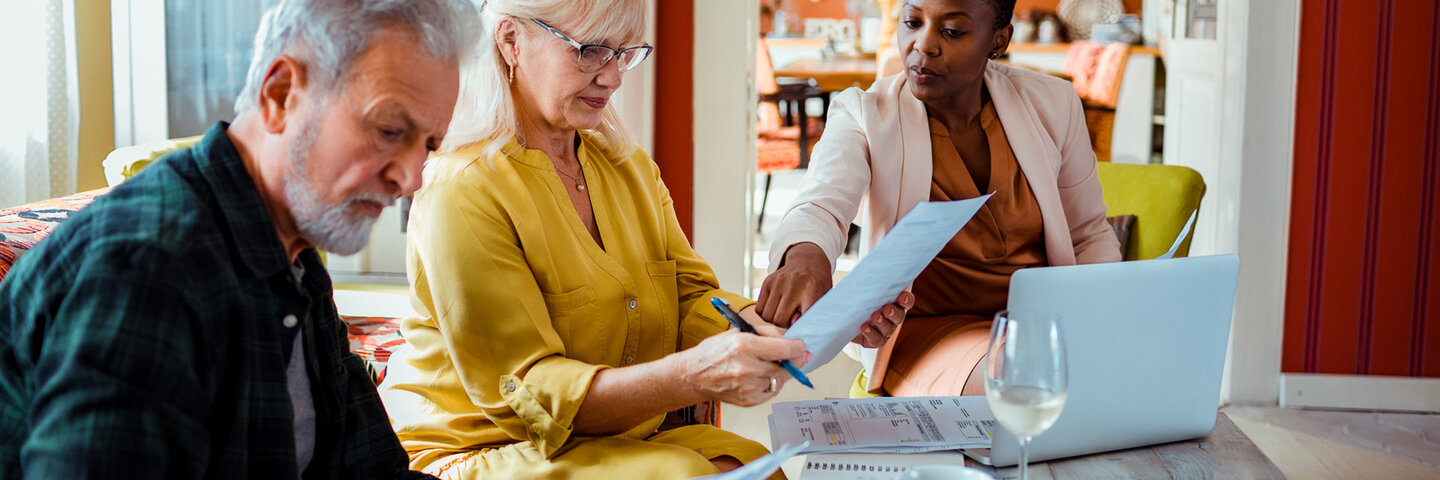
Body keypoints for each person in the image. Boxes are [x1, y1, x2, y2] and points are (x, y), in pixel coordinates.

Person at [375, 1, 906, 478]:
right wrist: (690, 379)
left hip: (620, 438)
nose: (612, 77)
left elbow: (695, 301)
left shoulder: (624, 167)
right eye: (590, 51)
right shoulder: (461, 189)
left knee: (757, 468)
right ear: (510, 40)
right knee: (681, 471)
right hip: (493, 449)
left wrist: (814, 323)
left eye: (624, 54)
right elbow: (528, 396)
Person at [0, 0, 477, 478]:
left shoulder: (296, 257)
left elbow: (369, 471)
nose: (411, 178)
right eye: (389, 130)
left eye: (429, 145)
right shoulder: (149, 269)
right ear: (281, 93)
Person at [757, 0, 1122, 398]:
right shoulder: (865, 114)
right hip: (928, 333)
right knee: (1029, 380)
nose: (923, 44)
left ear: (998, 40)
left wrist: (1101, 318)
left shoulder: (1053, 103)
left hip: (1044, 326)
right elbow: (821, 203)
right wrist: (805, 258)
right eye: (912, 22)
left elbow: (1087, 234)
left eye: (952, 31)